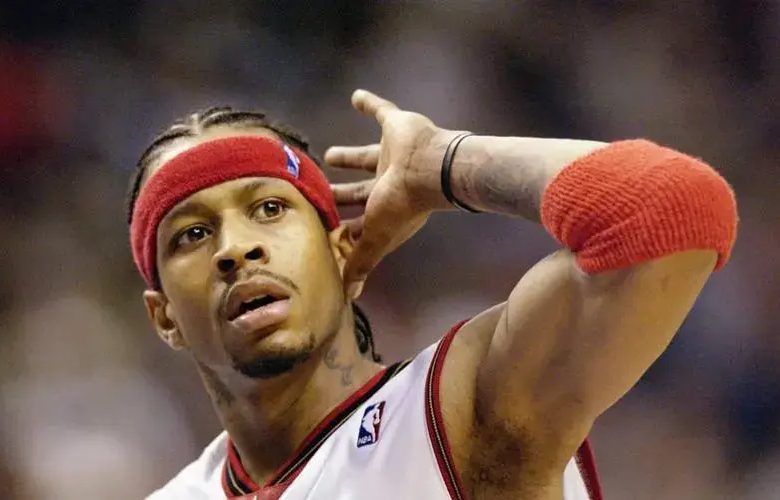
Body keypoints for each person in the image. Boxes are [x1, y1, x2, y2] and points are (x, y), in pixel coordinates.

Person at [128, 90, 738, 500]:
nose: (237, 249)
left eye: (269, 209)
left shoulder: (463, 410)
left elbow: (677, 208)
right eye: (193, 234)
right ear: (164, 318)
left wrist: (443, 166)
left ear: (342, 252)